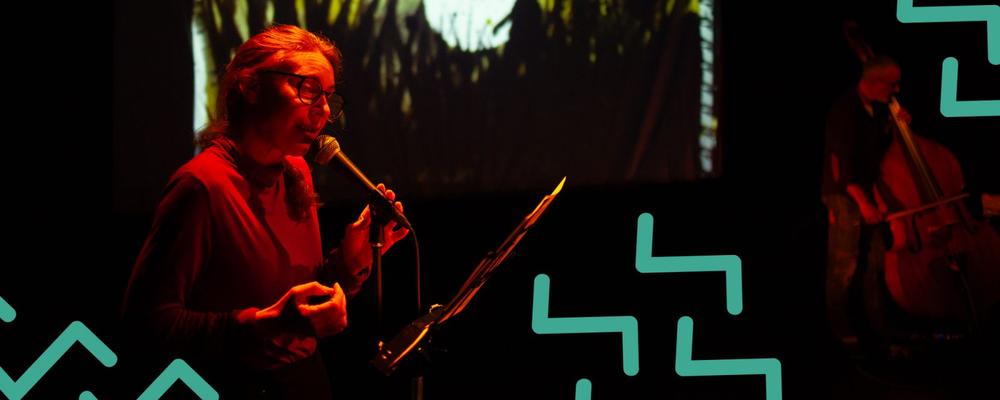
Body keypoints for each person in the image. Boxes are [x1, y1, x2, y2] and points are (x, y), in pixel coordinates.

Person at [121, 24, 409, 399]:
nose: (324, 111)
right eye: (308, 89)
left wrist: (353, 260)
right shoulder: (202, 186)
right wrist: (266, 324)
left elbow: (296, 301)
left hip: (305, 381)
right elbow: (146, 327)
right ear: (251, 86)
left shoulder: (296, 170)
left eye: (328, 97)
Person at [820, 55, 909, 357]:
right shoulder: (844, 111)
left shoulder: (875, 111)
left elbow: (879, 157)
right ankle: (840, 330)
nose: (896, 89)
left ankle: (879, 327)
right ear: (874, 81)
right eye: (892, 84)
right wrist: (865, 204)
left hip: (868, 195)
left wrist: (896, 126)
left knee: (875, 265)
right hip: (845, 196)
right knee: (844, 267)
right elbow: (841, 170)